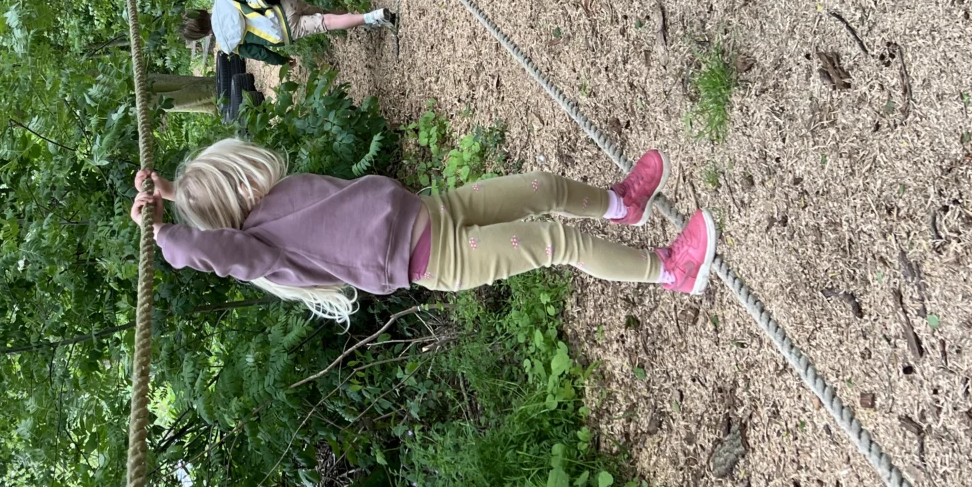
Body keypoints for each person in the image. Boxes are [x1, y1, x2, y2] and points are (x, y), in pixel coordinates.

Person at [129, 139, 713, 321]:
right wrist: (164, 239)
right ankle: (672, 271)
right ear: (232, 207)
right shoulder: (261, 246)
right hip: (440, 258)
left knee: (541, 187)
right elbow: (223, 251)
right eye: (237, 187)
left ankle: (621, 205)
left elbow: (212, 209)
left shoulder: (271, 199)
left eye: (241, 176)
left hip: (435, 210)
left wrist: (173, 193)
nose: (250, 182)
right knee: (556, 242)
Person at [178, 0, 393, 68]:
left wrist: (282, 61)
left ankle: (371, 17)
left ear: (204, 35)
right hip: (283, 6)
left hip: (284, 31)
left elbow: (259, 53)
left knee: (326, 22)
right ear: (201, 11)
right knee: (325, 13)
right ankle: (360, 17)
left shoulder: (229, 45)